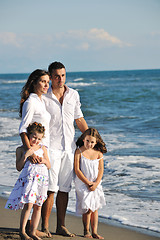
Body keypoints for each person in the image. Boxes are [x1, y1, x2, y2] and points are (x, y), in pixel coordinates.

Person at [41, 61, 88, 237]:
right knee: (50, 189)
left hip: (69, 149)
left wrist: (94, 138)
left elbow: (79, 119)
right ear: (50, 77)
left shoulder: (73, 95)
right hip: (50, 149)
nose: (60, 79)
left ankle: (60, 226)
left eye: (63, 75)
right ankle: (44, 227)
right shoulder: (43, 97)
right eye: (56, 76)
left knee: (64, 189)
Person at [19, 69, 51, 238]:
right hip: (34, 155)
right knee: (30, 198)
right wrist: (30, 152)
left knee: (38, 197)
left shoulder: (41, 100)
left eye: (48, 82)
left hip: (42, 153)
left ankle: (32, 230)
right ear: (34, 83)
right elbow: (23, 129)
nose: (47, 84)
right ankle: (23, 231)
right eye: (43, 81)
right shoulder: (31, 101)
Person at [5, 122, 51, 240]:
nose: (36, 140)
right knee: (28, 205)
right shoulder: (20, 149)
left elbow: (49, 165)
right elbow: (18, 167)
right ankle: (22, 231)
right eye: (34, 137)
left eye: (39, 138)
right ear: (28, 136)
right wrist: (26, 155)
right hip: (29, 181)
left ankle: (33, 232)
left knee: (38, 206)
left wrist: (44, 161)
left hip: (41, 181)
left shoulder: (43, 148)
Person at [74, 128, 107, 239]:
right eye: (87, 141)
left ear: (96, 142)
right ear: (83, 140)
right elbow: (77, 170)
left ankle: (95, 232)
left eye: (92, 142)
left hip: (95, 184)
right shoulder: (79, 151)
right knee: (88, 208)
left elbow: (101, 169)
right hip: (83, 183)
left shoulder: (98, 153)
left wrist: (96, 183)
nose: (89, 144)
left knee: (95, 208)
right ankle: (86, 231)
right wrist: (88, 183)